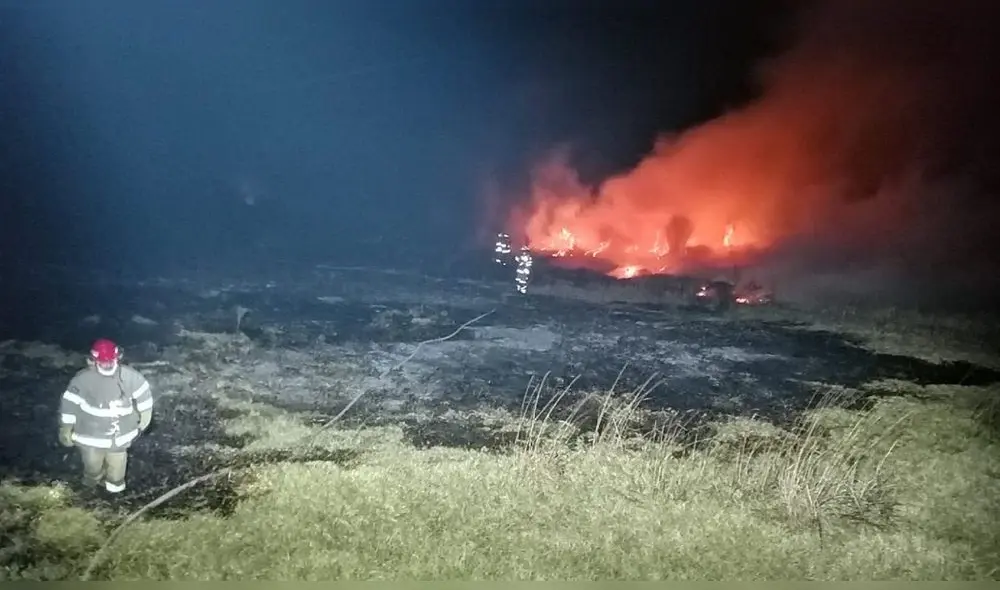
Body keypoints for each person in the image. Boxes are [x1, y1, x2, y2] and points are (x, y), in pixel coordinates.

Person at [57, 338, 154, 494]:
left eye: (110, 361)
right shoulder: (82, 380)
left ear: (117, 358)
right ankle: (89, 490)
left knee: (117, 472)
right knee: (92, 467)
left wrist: (145, 419)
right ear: (94, 361)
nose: (107, 364)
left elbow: (144, 396)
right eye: (103, 362)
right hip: (90, 437)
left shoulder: (130, 377)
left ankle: (114, 497)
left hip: (120, 438)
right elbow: (70, 405)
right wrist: (66, 429)